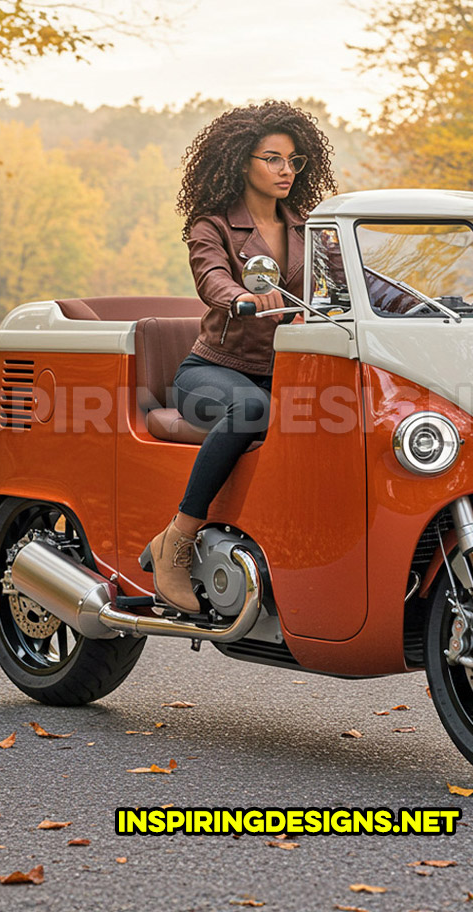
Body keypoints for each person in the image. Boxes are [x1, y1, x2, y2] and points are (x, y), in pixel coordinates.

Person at [148, 101, 336, 613]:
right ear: (241, 162)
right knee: (254, 409)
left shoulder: (310, 229)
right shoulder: (212, 225)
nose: (285, 171)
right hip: (212, 374)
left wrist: (419, 305)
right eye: (272, 158)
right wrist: (241, 298)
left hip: (286, 375)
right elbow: (212, 277)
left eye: (294, 161)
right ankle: (177, 541)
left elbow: (350, 286)